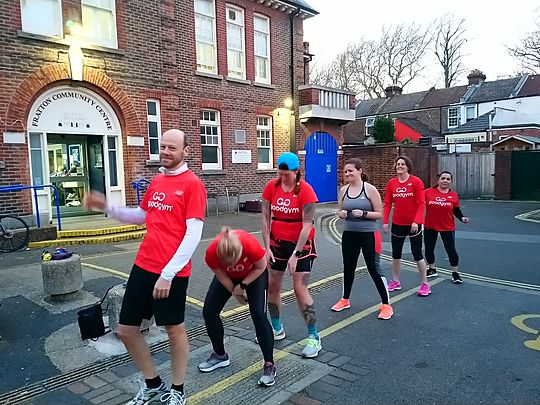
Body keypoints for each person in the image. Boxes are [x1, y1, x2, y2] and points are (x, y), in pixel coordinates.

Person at [83, 129, 206, 405]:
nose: (165, 151)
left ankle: (178, 390)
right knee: (126, 330)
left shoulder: (192, 185)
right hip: (143, 265)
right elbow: (141, 216)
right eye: (162, 146)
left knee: (174, 330)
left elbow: (193, 234)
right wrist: (107, 206)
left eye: (172, 148)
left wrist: (167, 274)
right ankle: (153, 384)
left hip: (170, 273)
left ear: (186, 151)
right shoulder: (158, 180)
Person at [261, 152, 321, 358]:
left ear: (296, 172)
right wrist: (267, 247)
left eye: (287, 174)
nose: (283, 178)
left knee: (299, 288)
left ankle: (314, 337)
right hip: (277, 244)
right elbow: (265, 218)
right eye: (280, 174)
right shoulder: (272, 187)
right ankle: (276, 328)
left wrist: (295, 254)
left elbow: (307, 225)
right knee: (273, 286)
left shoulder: (306, 191)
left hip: (301, 246)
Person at [199, 227, 276, 386]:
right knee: (209, 311)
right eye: (228, 262)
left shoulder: (249, 244)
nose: (232, 264)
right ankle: (220, 356)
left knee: (258, 315)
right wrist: (237, 293)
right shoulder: (211, 253)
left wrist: (243, 285)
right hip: (229, 278)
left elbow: (261, 267)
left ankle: (269, 365)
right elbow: (221, 276)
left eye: (235, 260)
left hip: (254, 274)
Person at [332, 158, 393, 320]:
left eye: (350, 171)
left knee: (374, 268)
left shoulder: (370, 189)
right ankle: (345, 299)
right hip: (350, 234)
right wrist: (341, 214)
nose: (347, 174)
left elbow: (379, 214)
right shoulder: (343, 190)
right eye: (345, 172)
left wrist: (365, 214)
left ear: (359, 171)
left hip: (369, 234)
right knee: (348, 268)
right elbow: (339, 211)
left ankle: (386, 305)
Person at [382, 155, 430, 296]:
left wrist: (416, 221)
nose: (400, 166)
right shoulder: (391, 183)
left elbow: (421, 204)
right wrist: (385, 222)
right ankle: (395, 281)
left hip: (414, 225)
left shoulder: (416, 182)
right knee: (396, 254)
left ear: (408, 167)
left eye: (402, 164)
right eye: (398, 164)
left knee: (417, 255)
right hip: (398, 223)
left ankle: (425, 284)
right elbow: (387, 204)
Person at [424, 171, 469, 284]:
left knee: (451, 250)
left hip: (447, 227)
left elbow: (456, 209)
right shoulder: (428, 192)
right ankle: (432, 269)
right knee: (429, 249)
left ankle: (455, 273)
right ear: (438, 180)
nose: (445, 181)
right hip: (430, 225)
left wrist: (462, 218)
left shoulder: (453, 195)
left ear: (450, 181)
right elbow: (418, 203)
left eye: (448, 179)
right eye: (443, 178)